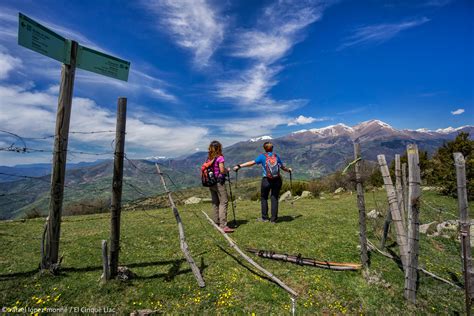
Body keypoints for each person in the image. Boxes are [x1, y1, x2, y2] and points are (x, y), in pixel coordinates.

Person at [233, 142, 292, 223]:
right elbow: (282, 167)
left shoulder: (262, 157)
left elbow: (251, 163)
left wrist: (239, 166)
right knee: (274, 198)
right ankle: (273, 219)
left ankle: (265, 218)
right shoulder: (276, 156)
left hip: (266, 180)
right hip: (277, 180)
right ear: (272, 148)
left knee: (264, 198)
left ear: (264, 148)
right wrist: (289, 170)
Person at [206, 140, 234, 233]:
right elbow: (222, 170)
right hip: (219, 182)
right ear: (219, 148)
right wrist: (227, 170)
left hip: (211, 182)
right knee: (224, 202)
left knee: (215, 202)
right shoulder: (220, 157)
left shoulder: (209, 158)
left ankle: (216, 223)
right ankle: (223, 226)